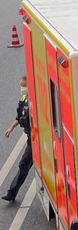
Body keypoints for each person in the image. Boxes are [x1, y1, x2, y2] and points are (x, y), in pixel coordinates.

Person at [4, 76, 33, 205]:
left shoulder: (35, 99)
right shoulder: (24, 99)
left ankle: (12, 192)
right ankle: (11, 193)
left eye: (24, 85)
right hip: (30, 138)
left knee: (24, 164)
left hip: (36, 139)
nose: (22, 88)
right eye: (21, 85)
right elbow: (19, 117)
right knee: (24, 165)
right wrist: (11, 128)